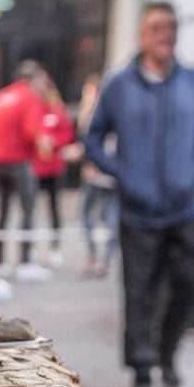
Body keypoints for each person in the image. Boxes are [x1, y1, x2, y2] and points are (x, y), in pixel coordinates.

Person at [84, 1, 194, 387]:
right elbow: (93, 139)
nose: (167, 34)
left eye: (172, 26)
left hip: (184, 207)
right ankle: (142, 367)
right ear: (142, 36)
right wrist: (125, 174)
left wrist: (192, 172)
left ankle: (168, 351)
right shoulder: (118, 84)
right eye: (158, 27)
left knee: (192, 284)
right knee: (139, 291)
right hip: (138, 211)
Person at [0, 60, 49, 274]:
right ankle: (25, 262)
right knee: (27, 210)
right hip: (19, 161)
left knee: (1, 212)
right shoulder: (29, 98)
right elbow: (32, 133)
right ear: (33, 78)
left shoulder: (0, 97)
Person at [31, 73, 75, 272]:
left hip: (54, 165)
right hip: (36, 164)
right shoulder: (33, 109)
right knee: (31, 206)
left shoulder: (57, 110)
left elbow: (67, 134)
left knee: (55, 207)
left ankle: (55, 248)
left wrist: (54, 142)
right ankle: (30, 247)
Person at [76, 74, 116, 276]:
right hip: (109, 172)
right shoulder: (115, 109)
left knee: (94, 214)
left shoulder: (96, 111)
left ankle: (97, 258)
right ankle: (103, 259)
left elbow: (92, 142)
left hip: (100, 172)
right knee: (107, 216)